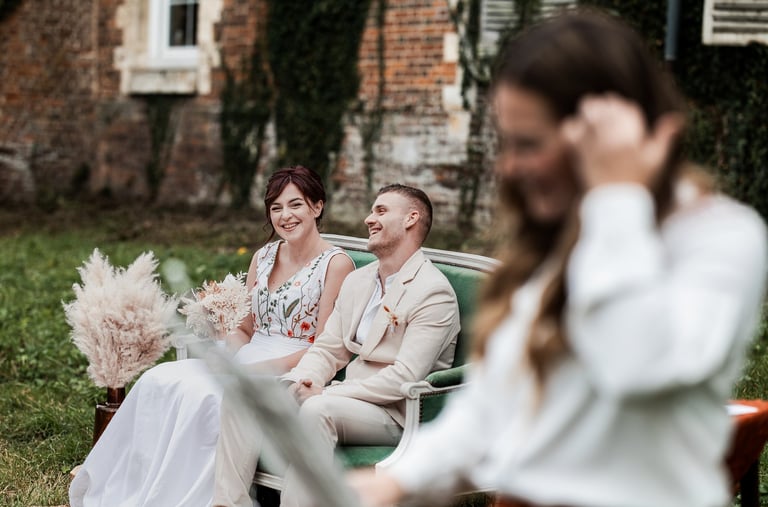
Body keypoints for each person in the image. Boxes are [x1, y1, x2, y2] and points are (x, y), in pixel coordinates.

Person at [349, 10, 768, 507]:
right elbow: (493, 403)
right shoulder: (566, 241)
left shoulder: (720, 237)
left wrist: (616, 194)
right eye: (508, 142)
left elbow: (637, 365)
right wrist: (397, 481)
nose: (509, 167)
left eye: (529, 144)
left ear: (610, 134)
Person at [69, 165, 354, 507]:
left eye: (295, 205)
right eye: (276, 207)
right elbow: (247, 328)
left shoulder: (336, 264)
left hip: (292, 365)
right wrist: (223, 352)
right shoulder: (263, 257)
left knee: (206, 396)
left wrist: (258, 370)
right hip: (249, 354)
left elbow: (321, 344)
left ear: (317, 207)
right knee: (160, 379)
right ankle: (146, 486)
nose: (285, 215)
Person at [212, 184, 461, 507]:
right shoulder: (360, 281)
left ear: (411, 218)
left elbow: (404, 377)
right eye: (372, 211)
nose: (369, 218)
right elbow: (328, 348)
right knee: (244, 396)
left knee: (317, 409)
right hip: (346, 399)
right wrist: (298, 381)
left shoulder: (433, 293)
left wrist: (327, 393)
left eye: (381, 211)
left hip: (398, 412)